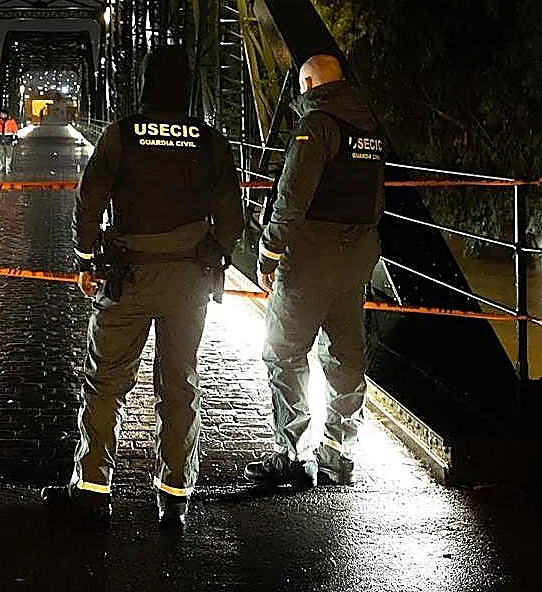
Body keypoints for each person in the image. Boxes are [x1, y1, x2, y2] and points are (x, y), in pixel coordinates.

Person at [42, 45, 244, 531]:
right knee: (179, 387)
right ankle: (175, 494)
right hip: (187, 282)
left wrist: (85, 259)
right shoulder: (208, 140)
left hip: (127, 277)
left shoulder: (123, 134)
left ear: (146, 85)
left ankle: (93, 490)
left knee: (106, 382)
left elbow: (89, 202)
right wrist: (212, 253)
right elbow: (233, 216)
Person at [246, 53, 385, 489]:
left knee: (284, 352)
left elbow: (291, 197)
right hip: (356, 254)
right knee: (345, 354)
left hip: (309, 258)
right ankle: (337, 453)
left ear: (308, 84)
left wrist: (269, 251)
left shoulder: (317, 125)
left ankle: (293, 454)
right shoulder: (370, 128)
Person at [0, 107, 19, 175]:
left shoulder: (12, 121)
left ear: (6, 114)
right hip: (1, 139)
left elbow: (15, 130)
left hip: (8, 139)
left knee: (9, 154)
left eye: (3, 114)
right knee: (0, 153)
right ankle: (2, 165)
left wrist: (15, 138)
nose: (1, 115)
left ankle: (8, 167)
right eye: (1, 114)